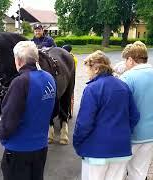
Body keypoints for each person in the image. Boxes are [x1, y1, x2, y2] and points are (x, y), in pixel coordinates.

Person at [73, 50, 139, 180]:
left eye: (88, 68)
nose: (87, 72)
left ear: (96, 69)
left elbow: (84, 123)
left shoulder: (92, 88)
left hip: (96, 152)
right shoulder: (123, 86)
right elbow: (134, 116)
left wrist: (77, 142)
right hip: (121, 149)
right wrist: (124, 132)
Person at [0, 41, 56, 180]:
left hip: (19, 150)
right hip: (41, 147)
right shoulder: (49, 78)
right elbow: (55, 110)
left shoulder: (21, 81)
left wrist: (2, 135)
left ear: (18, 60)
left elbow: (9, 118)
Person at [119, 41, 153, 180]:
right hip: (150, 134)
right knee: (139, 172)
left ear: (131, 60)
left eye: (125, 60)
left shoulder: (127, 78)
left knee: (119, 172)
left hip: (131, 135)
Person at [62, 44, 77, 118]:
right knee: (71, 96)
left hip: (69, 76)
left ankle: (69, 112)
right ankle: (70, 112)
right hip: (70, 75)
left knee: (70, 97)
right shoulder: (72, 57)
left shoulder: (71, 58)